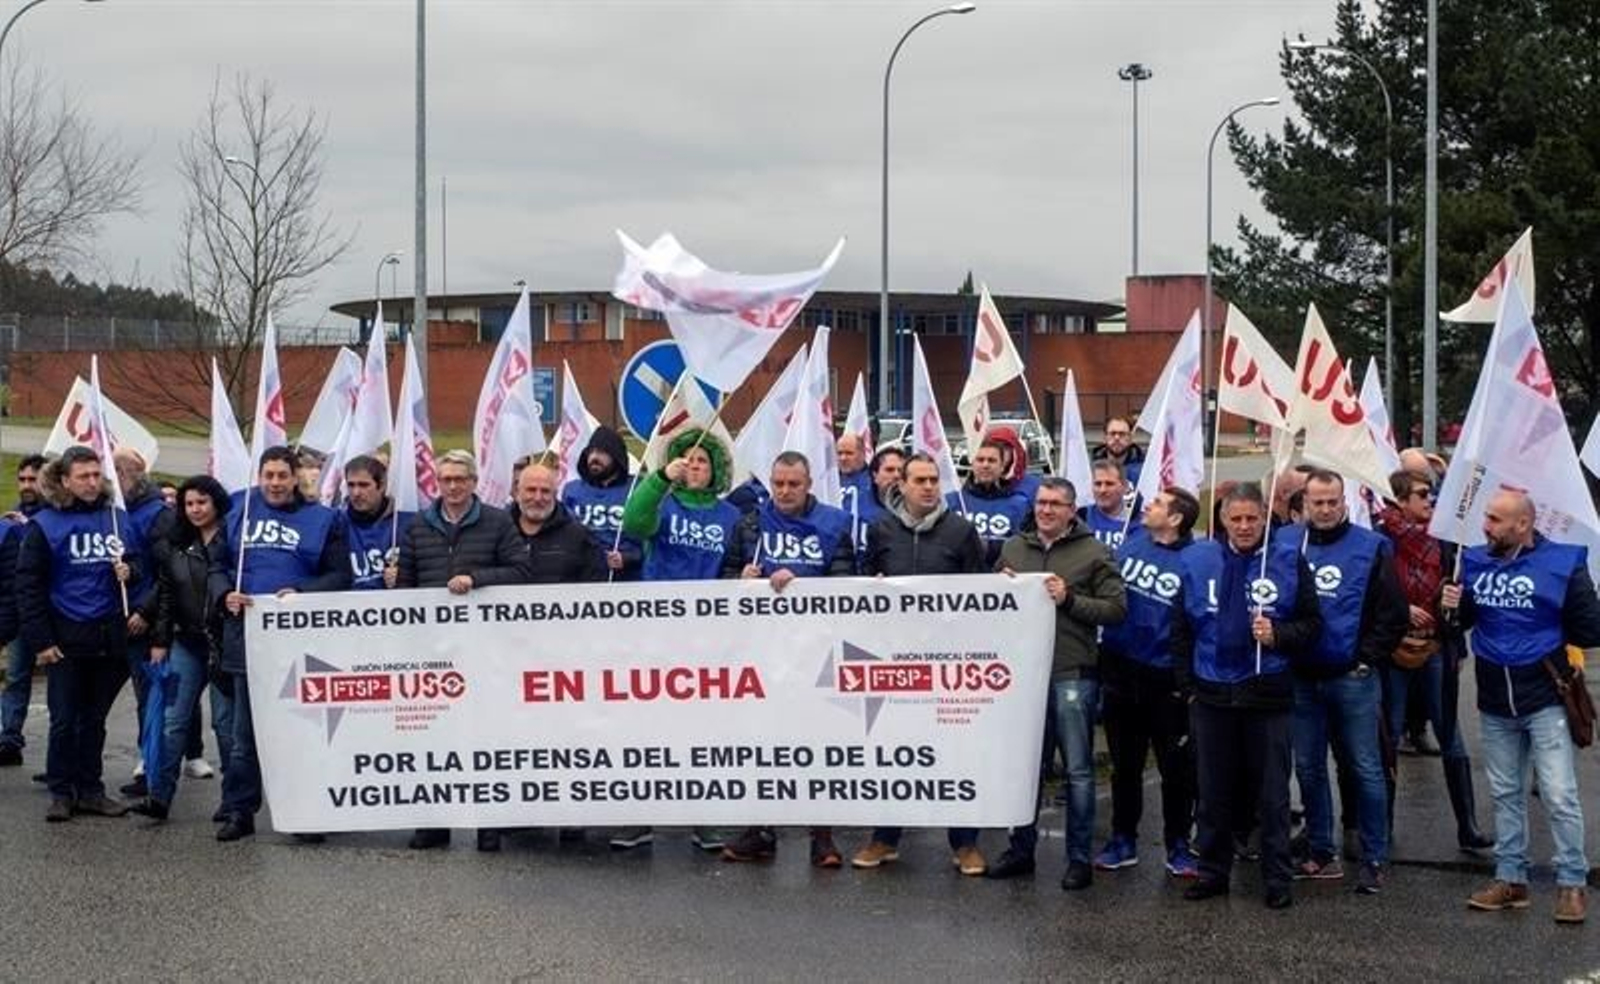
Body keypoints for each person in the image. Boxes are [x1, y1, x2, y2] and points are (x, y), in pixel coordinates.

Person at [1443, 490, 1600, 925]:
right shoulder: (1473, 560)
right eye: (1487, 517)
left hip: (1545, 696)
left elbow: (1591, 628)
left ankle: (1572, 883)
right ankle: (1511, 878)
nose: (1486, 526)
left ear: (1523, 525)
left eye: (1495, 519)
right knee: (1505, 793)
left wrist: (1575, 598)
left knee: (1559, 793)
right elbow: (1462, 624)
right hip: (1494, 698)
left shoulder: (1563, 562)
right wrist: (1453, 608)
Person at [1172, 483, 1321, 909]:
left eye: (1251, 518)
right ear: (1222, 519)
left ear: (1263, 518)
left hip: (1266, 694)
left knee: (1272, 795)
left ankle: (1276, 877)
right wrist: (1188, 687)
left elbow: (1312, 625)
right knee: (1213, 791)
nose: (1243, 527)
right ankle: (1213, 872)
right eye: (1235, 519)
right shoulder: (1198, 559)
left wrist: (1279, 634)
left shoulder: (1288, 562)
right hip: (1212, 693)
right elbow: (1181, 628)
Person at [852, 452, 990, 875]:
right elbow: (861, 585)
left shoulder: (961, 532)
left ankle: (964, 844)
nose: (929, 487)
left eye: (934, 480)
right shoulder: (882, 530)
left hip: (947, 664)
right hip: (893, 662)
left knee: (955, 754)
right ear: (903, 486)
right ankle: (884, 839)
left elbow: (980, 594)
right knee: (894, 753)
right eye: (920, 480)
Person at [987, 476, 1127, 888]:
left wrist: (1070, 599)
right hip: (1023, 675)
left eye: (1055, 504)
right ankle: (1021, 849)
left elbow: (1116, 609)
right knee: (1027, 768)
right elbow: (991, 605)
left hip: (1072, 673)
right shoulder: (1014, 548)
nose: (1045, 510)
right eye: (1041, 503)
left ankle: (1079, 858)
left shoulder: (1094, 552)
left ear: (1071, 511)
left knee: (1079, 771)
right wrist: (999, 589)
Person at [389, 449, 532, 851]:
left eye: (459, 479)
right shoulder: (419, 526)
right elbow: (406, 585)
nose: (452, 487)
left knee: (486, 737)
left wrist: (477, 579)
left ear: (473, 482)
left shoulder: (498, 522)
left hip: (485, 650)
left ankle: (489, 824)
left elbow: (521, 572)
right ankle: (435, 822)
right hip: (433, 649)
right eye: (445, 479)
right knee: (435, 738)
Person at [719, 450, 855, 867]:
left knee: (817, 745)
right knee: (762, 743)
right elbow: (720, 579)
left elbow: (847, 584)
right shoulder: (750, 524)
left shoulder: (834, 524)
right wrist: (739, 581)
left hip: (816, 650)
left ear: (808, 483)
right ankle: (759, 830)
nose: (784, 491)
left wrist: (802, 585)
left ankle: (823, 837)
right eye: (778, 483)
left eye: (793, 483)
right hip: (762, 652)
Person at [613, 429, 743, 852]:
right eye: (686, 459)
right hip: (657, 634)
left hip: (710, 638)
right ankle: (639, 816)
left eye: (702, 461)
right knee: (648, 727)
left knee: (705, 731)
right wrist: (659, 479)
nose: (694, 466)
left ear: (715, 470)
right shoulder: (662, 504)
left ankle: (705, 819)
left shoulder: (731, 517)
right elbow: (633, 522)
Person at [214, 446, 351, 842]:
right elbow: (217, 565)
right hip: (247, 639)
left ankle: (307, 813)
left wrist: (303, 591)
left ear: (295, 478)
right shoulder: (239, 511)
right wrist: (226, 593)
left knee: (305, 732)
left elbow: (340, 575)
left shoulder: (325, 520)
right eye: (268, 475)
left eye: (281, 476)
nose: (274, 483)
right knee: (245, 736)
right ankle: (240, 811)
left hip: (301, 642)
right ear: (259, 476)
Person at [1290, 470, 1407, 894]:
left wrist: (1365, 659)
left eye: (1332, 501)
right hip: (1301, 677)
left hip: (1351, 678)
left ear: (1344, 501)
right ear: (1304, 502)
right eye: (1317, 502)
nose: (1324, 509)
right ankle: (1321, 850)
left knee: (1365, 768)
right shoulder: (1287, 542)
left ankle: (1375, 856)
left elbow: (1393, 613)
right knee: (1307, 767)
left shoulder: (1372, 546)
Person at [15, 446, 140, 822]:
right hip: (66, 635)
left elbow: (140, 566)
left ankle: (90, 789)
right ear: (64, 480)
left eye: (95, 475)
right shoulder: (46, 524)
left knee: (94, 719)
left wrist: (129, 571)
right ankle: (60, 790)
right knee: (65, 719)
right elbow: (28, 585)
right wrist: (42, 641)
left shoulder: (117, 519)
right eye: (82, 476)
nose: (90, 482)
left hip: (109, 636)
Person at [1376, 469, 1492, 853]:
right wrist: (1402, 608)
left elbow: (1463, 597)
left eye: (1431, 493)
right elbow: (1371, 593)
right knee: (1389, 734)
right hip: (1394, 650)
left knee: (1450, 734)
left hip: (1435, 647)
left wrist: (1453, 602)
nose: (1430, 501)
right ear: (1400, 501)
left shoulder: (1445, 542)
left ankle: (1468, 827)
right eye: (1423, 494)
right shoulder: (1380, 540)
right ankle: (1382, 827)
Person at [1094, 487, 1202, 879]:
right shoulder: (1133, 541)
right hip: (1122, 671)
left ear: (1175, 519)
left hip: (1167, 679)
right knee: (1125, 766)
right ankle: (1122, 839)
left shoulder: (1195, 560)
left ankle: (1178, 843)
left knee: (1176, 770)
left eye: (1157, 503)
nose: (1148, 506)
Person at [129, 476, 235, 823]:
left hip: (224, 644)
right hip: (185, 643)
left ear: (216, 503)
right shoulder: (176, 545)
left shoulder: (235, 541)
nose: (195, 509)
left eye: (202, 502)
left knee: (225, 725)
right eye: (189, 503)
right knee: (173, 721)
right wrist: (160, 640)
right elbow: (166, 596)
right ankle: (159, 796)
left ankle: (234, 801)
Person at [114, 448, 177, 799]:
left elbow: (166, 573)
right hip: (113, 620)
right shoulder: (113, 513)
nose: (112, 479)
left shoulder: (157, 516)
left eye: (118, 472)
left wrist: (145, 612)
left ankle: (150, 765)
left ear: (134, 473)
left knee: (149, 697)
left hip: (145, 621)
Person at [0, 453, 47, 767]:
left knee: (59, 687)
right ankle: (9, 739)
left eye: (34, 479)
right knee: (16, 677)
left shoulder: (56, 516)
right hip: (16, 615)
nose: (27, 486)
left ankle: (62, 754)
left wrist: (29, 527)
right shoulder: (9, 519)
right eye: (23, 480)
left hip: (49, 617)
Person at [560, 425, 642, 581]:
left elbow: (650, 539)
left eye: (602, 452)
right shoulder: (572, 490)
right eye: (591, 451)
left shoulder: (637, 489)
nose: (594, 457)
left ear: (616, 456)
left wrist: (628, 558)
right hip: (582, 579)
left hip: (626, 581)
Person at [951, 438, 1032, 567]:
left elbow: (1025, 549)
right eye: (980, 460)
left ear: (1002, 467)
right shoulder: (953, 501)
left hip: (1002, 580)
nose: (985, 465)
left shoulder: (1020, 505)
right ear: (972, 464)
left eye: (992, 460)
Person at [343, 455, 413, 591]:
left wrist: (405, 576)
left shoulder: (408, 523)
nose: (356, 492)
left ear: (381, 486)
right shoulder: (336, 525)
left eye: (364, 485)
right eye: (351, 485)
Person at [1082, 461, 1131, 551]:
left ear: (1125, 487)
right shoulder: (1080, 517)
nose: (1102, 490)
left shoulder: (1138, 522)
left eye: (1109, 484)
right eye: (1098, 484)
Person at [1092, 416, 1144, 490]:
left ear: (1130, 438)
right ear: (1104, 438)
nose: (1117, 438)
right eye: (1112, 433)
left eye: (1122, 434)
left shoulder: (1143, 470)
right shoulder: (1091, 467)